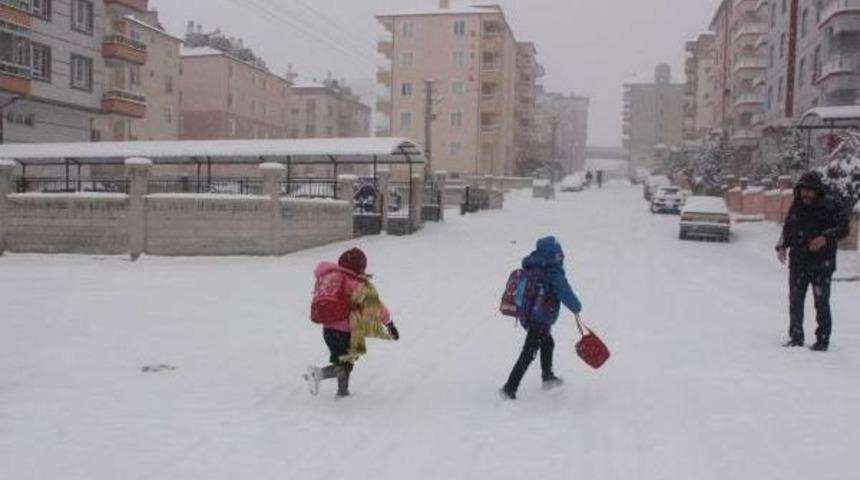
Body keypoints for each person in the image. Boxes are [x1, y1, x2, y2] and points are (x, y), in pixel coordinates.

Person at [304, 248, 399, 397]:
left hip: (328, 329)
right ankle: (319, 375)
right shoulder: (354, 283)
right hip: (345, 331)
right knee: (346, 364)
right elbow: (375, 305)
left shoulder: (329, 276)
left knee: (342, 362)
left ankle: (342, 391)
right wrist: (389, 323)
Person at [500, 236, 583, 400]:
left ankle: (547, 377)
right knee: (529, 352)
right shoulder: (554, 273)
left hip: (529, 316)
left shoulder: (533, 266)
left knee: (547, 343)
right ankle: (510, 387)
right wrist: (576, 307)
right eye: (558, 255)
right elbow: (565, 293)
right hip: (540, 318)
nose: (560, 257)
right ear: (552, 255)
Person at [776, 172, 850, 352]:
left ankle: (822, 340)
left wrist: (825, 238)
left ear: (817, 191)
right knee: (795, 300)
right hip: (799, 262)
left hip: (821, 264)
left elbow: (843, 228)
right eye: (802, 190)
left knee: (821, 301)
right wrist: (781, 245)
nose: (805, 194)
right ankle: (796, 337)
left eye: (809, 191)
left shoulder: (830, 206)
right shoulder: (797, 206)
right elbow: (788, 226)